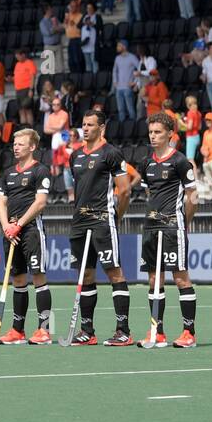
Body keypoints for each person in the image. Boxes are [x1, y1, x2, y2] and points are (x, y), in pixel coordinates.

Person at [67, 109, 133, 346]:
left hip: (102, 221)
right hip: (79, 222)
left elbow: (124, 190)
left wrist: (116, 216)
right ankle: (87, 331)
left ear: (101, 128)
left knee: (114, 271)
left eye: (90, 125)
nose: (85, 128)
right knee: (85, 275)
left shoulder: (111, 153)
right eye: (83, 124)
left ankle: (123, 330)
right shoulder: (75, 156)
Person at [138, 114, 199, 348]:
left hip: (173, 228)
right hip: (151, 228)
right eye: (151, 132)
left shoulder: (181, 161)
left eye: (158, 132)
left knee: (181, 278)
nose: (153, 136)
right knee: (154, 279)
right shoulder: (146, 163)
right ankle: (157, 331)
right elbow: (149, 194)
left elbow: (193, 196)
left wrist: (183, 222)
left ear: (170, 135)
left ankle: (188, 332)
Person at [0, 128, 53, 345]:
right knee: (18, 279)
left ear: (32, 147)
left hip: (31, 231)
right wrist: (6, 227)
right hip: (10, 232)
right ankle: (17, 330)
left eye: (20, 144)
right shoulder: (8, 173)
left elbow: (40, 203)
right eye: (14, 143)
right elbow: (1, 202)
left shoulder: (41, 170)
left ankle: (45, 330)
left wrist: (18, 224)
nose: (15, 147)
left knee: (38, 276)